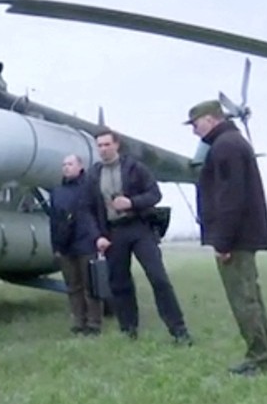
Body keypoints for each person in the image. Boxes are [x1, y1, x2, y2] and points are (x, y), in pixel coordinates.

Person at [185, 100, 267, 376]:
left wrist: (222, 241)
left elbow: (231, 198)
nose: (194, 131)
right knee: (251, 298)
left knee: (243, 300)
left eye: (196, 124)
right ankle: (265, 355)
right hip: (241, 235)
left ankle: (260, 359)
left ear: (211, 119)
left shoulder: (225, 146)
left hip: (236, 239)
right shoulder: (231, 142)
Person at [88, 130, 192, 344]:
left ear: (116, 145)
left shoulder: (134, 168)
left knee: (158, 278)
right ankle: (128, 329)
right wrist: (98, 235)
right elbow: (87, 209)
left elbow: (155, 194)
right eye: (99, 146)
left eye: (107, 144)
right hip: (113, 232)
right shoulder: (94, 174)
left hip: (139, 228)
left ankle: (179, 330)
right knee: (119, 283)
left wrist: (132, 203)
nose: (103, 149)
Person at [49, 154, 102, 335]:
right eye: (64, 164)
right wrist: (55, 246)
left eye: (70, 164)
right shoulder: (57, 192)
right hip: (66, 246)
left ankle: (94, 323)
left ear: (80, 166)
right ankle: (79, 322)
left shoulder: (90, 188)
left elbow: (98, 214)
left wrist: (100, 238)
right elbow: (54, 221)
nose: (66, 167)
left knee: (90, 286)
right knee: (72, 286)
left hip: (86, 243)